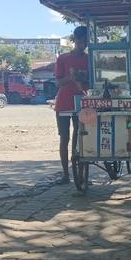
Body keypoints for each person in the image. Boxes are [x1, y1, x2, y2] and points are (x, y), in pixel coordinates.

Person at [54, 25, 88, 184]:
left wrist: (83, 79)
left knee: (80, 138)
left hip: (82, 103)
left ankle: (80, 174)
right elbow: (58, 82)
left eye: (85, 42)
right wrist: (71, 77)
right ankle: (66, 174)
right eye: (81, 41)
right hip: (63, 104)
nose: (83, 44)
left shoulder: (89, 59)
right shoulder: (63, 59)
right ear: (75, 41)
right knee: (64, 138)